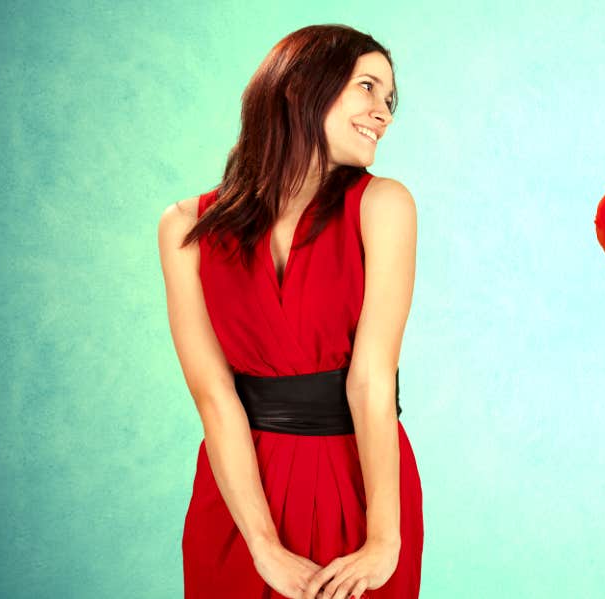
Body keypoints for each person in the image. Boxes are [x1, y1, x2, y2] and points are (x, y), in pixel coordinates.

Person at [158, 25, 422, 599]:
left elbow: (373, 381)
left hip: (360, 482)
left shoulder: (384, 205)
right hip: (238, 491)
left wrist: (384, 540)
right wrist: (262, 545)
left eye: (389, 99)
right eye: (369, 87)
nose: (384, 114)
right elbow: (213, 396)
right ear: (301, 88)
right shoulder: (183, 228)